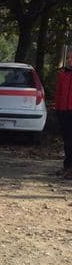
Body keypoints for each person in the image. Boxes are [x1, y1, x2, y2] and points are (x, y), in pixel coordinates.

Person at [56, 47, 72, 178]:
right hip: (64, 111)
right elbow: (59, 93)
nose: (69, 61)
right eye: (68, 58)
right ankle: (67, 167)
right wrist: (58, 108)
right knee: (67, 141)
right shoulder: (63, 74)